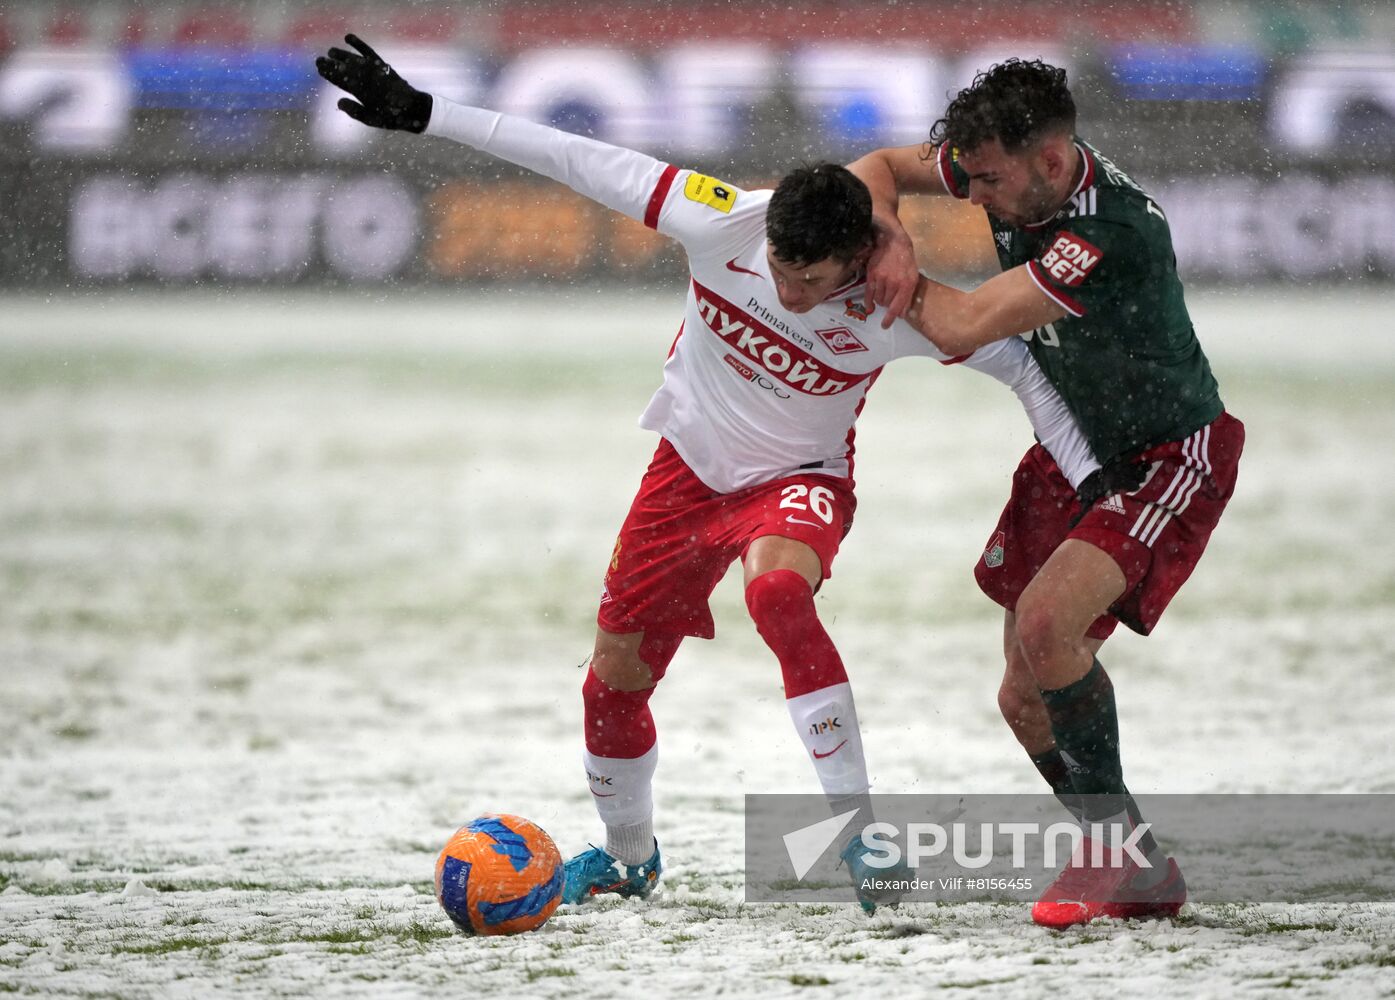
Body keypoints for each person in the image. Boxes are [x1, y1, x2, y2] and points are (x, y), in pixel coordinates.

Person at [316, 38, 1099, 914]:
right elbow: (576, 158)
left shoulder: (897, 306)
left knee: (776, 597)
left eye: (809, 282)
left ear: (857, 259)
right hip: (682, 476)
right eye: (779, 270)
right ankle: (626, 857)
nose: (788, 291)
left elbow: (1030, 370)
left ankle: (863, 839)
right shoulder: (719, 217)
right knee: (612, 680)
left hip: (800, 480)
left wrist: (1095, 485)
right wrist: (428, 113)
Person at [848, 58, 1245, 928]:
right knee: (1021, 698)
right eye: (969, 176)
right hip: (1069, 448)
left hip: (1163, 457)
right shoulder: (999, 166)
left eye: (988, 180)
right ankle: (1137, 866)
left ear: (1053, 159)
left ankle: (1107, 850)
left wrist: (868, 269)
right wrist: (885, 231)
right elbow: (874, 169)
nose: (974, 196)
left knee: (1044, 625)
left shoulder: (1108, 234)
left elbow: (956, 323)